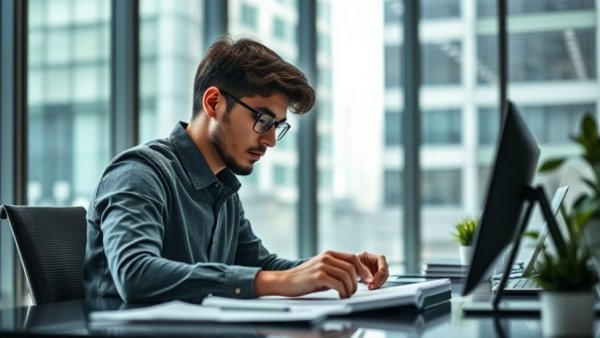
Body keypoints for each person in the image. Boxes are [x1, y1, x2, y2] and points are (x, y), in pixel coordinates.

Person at [83, 37, 389, 304]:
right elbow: (135, 273)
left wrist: (339, 267)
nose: (270, 140)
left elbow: (264, 266)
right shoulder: (139, 173)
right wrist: (277, 282)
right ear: (214, 102)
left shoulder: (223, 190)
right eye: (263, 120)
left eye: (276, 127)